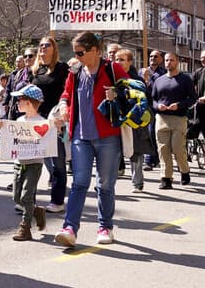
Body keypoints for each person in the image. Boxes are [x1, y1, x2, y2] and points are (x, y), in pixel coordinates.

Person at [53, 32, 126, 247]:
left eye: (80, 52)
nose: (75, 56)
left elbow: (134, 94)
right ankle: (70, 228)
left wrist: (118, 94)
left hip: (108, 137)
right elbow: (65, 94)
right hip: (80, 137)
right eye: (74, 52)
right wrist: (64, 106)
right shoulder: (75, 71)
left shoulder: (113, 69)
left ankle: (105, 226)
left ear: (95, 50)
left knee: (105, 185)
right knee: (79, 183)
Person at [0, 85, 49, 241]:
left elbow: (45, 141)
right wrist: (4, 129)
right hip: (19, 163)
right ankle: (36, 211)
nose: (17, 103)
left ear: (29, 102)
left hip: (34, 164)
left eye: (20, 99)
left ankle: (25, 227)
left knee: (27, 195)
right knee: (17, 197)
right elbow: (12, 140)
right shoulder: (19, 121)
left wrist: (54, 128)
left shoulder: (42, 122)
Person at [31, 36, 69, 211]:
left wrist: (63, 113)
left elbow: (68, 93)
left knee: (58, 164)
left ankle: (57, 201)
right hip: (37, 121)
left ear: (54, 49)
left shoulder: (62, 68)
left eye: (47, 45)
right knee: (36, 161)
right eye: (41, 45)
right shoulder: (35, 70)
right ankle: (27, 200)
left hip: (55, 121)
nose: (43, 48)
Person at [149, 53, 196, 190]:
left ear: (177, 62)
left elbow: (192, 98)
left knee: (177, 148)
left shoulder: (185, 79)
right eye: (167, 60)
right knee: (163, 149)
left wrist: (179, 105)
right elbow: (153, 99)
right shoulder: (159, 80)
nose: (169, 63)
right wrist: (158, 106)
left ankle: (185, 171)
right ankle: (166, 178)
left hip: (179, 118)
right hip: (162, 118)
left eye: (172, 60)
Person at [115, 48, 154, 192]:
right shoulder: (111, 77)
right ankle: (108, 181)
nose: (118, 62)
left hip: (133, 120)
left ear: (130, 62)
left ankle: (137, 183)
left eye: (122, 59)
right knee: (112, 151)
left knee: (136, 152)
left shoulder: (136, 80)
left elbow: (144, 101)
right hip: (116, 119)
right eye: (116, 59)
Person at [140, 50, 166, 171]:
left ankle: (152, 159)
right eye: (150, 56)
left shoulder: (164, 73)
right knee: (145, 133)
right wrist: (144, 79)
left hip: (157, 106)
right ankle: (150, 159)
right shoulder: (142, 71)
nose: (153, 58)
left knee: (152, 132)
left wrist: (149, 80)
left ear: (161, 59)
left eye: (156, 56)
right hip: (144, 106)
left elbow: (160, 89)